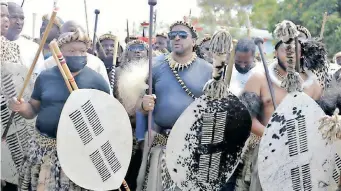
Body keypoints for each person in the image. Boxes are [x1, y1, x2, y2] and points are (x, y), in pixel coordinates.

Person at [8, 29, 110, 191]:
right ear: (59, 52)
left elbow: (107, 118)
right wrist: (21, 107)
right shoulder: (45, 77)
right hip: (44, 150)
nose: (77, 55)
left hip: (78, 152)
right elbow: (32, 110)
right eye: (71, 51)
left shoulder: (96, 81)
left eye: (82, 51)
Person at [235, 22, 325, 191]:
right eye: (285, 50)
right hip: (266, 153)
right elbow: (246, 118)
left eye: (295, 50)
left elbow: (319, 123)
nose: (290, 55)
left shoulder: (314, 85)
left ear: (301, 55)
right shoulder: (260, 79)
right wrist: (274, 137)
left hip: (302, 156)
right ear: (276, 52)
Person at [130, 21, 212, 190]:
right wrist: (144, 105)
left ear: (194, 41)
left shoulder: (208, 70)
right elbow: (138, 104)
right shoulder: (155, 65)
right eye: (172, 35)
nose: (176, 38)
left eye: (182, 35)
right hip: (161, 143)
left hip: (193, 146)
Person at [44, 20, 111, 94]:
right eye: (68, 33)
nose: (73, 35)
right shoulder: (48, 64)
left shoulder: (96, 64)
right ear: (60, 36)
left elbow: (107, 98)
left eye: (76, 32)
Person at [6, 2, 45, 74]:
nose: (19, 22)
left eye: (22, 18)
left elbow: (39, 75)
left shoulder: (33, 48)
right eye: (14, 17)